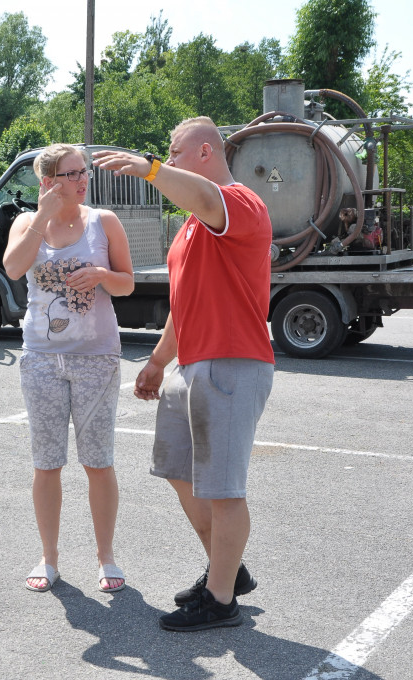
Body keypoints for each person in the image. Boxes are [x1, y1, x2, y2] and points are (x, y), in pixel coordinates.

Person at [92, 118, 274, 631]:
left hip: (232, 363)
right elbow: (184, 304)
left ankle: (220, 602)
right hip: (191, 364)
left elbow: (205, 197)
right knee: (177, 471)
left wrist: (149, 170)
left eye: (173, 152)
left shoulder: (239, 203)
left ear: (204, 152)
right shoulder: (193, 226)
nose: (167, 159)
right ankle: (229, 572)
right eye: (163, 155)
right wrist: (156, 360)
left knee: (223, 489)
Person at [2, 144, 135, 594]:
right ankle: (49, 556)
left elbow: (128, 284)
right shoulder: (26, 223)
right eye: (72, 173)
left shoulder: (104, 222)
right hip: (41, 357)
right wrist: (40, 217)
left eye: (85, 172)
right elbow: (15, 266)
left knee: (97, 462)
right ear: (48, 182)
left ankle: (106, 556)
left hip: (97, 357)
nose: (83, 180)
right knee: (47, 463)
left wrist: (100, 274)